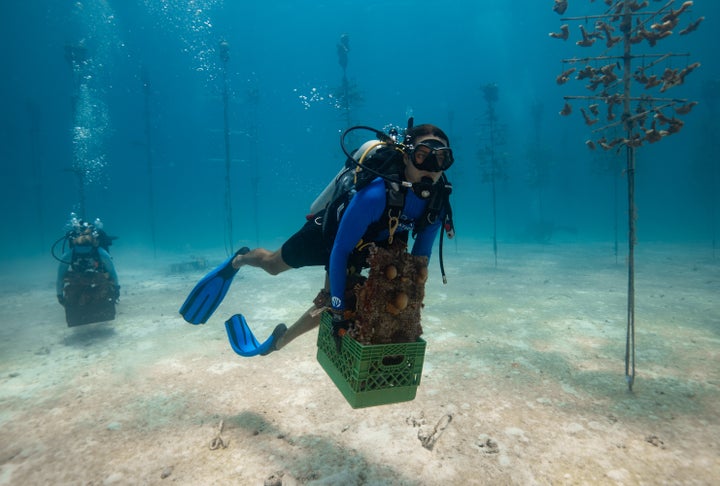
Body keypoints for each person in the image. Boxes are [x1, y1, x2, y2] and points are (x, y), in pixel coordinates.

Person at [229, 122, 455, 354]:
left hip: (367, 247)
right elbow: (340, 250)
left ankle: (277, 343)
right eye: (422, 155)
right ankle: (239, 260)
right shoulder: (375, 194)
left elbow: (419, 262)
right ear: (407, 156)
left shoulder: (436, 204)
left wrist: (409, 309)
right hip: (329, 234)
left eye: (440, 159)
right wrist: (337, 310)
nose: (431, 167)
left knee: (336, 302)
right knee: (273, 265)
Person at [55, 214, 120, 311]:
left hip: (98, 272)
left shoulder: (100, 254)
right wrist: (116, 288)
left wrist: (60, 295)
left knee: (105, 279)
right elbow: (113, 273)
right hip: (80, 275)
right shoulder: (101, 254)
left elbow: (60, 277)